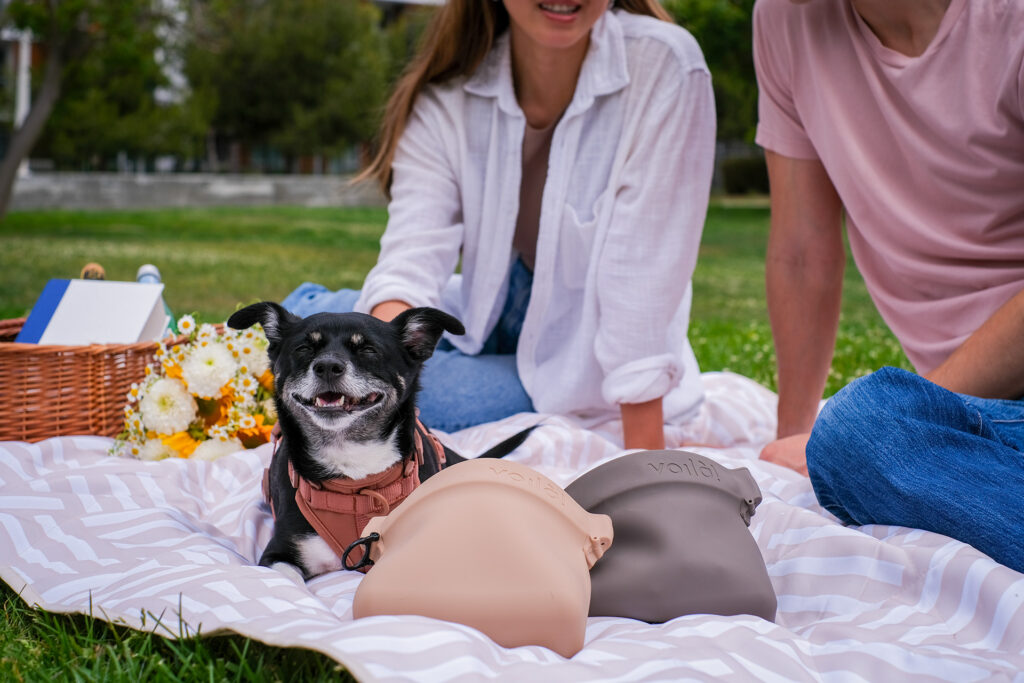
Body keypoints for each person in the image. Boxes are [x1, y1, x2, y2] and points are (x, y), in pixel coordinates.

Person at [284, 0, 716, 449]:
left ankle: (288, 358)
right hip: (491, 307)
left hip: (585, 351)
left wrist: (645, 456)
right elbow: (411, 259)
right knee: (325, 341)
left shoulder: (663, 64)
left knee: (433, 402)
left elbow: (641, 274)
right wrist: (364, 378)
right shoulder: (448, 94)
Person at [753, 0, 1024, 572]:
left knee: (862, 431)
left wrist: (914, 416)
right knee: (855, 440)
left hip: (965, 411)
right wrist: (795, 439)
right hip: (979, 426)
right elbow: (803, 254)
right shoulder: (785, 19)